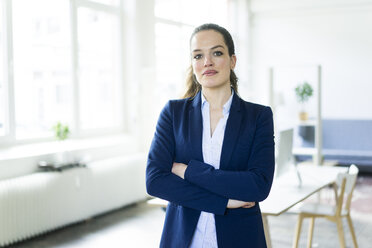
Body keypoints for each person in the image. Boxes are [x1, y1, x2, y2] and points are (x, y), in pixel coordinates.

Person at [146, 23, 275, 248]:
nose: (207, 62)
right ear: (193, 64)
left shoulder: (258, 117)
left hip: (241, 239)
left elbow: (258, 186)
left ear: (232, 61)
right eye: (198, 56)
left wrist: (186, 171)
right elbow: (155, 181)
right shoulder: (174, 113)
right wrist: (224, 202)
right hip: (183, 240)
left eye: (217, 53)